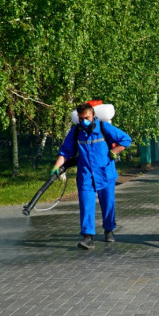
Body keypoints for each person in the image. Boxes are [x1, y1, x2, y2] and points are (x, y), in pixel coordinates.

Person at [51, 102, 132, 249]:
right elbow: (65, 151)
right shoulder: (76, 132)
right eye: (81, 118)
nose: (84, 122)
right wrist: (57, 166)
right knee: (86, 205)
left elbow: (126, 139)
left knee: (108, 204)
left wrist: (114, 152)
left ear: (94, 115)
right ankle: (88, 237)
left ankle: (109, 230)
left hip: (105, 173)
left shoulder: (104, 128)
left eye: (87, 118)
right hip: (85, 176)